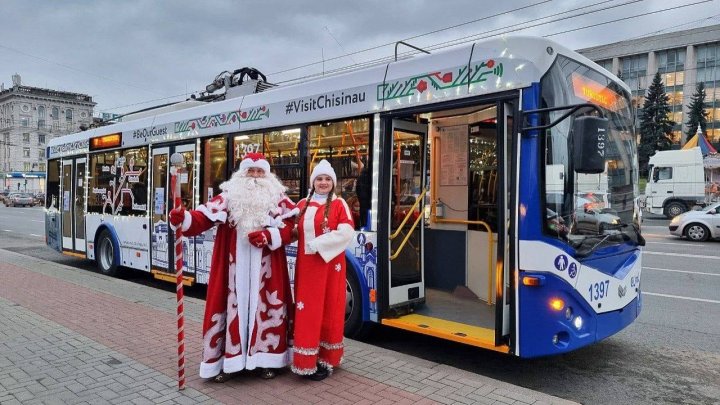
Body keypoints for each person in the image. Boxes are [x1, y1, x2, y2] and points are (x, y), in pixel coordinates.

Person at [168, 153, 297, 382]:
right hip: (232, 269)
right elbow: (202, 218)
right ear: (241, 174)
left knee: (267, 309)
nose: (255, 177)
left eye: (260, 172)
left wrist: (269, 235)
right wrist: (183, 218)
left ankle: (267, 361)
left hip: (267, 271)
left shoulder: (278, 199)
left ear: (267, 175)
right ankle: (228, 362)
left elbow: (291, 229)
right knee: (230, 309)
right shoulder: (228, 198)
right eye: (251, 171)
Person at [291, 159, 355, 381]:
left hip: (330, 269)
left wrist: (318, 244)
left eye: (328, 179)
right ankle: (306, 359)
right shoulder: (301, 205)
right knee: (307, 311)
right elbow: (289, 229)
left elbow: (346, 233)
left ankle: (326, 357)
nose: (324, 182)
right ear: (313, 182)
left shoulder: (340, 205)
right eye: (319, 178)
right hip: (307, 270)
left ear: (333, 183)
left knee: (329, 309)